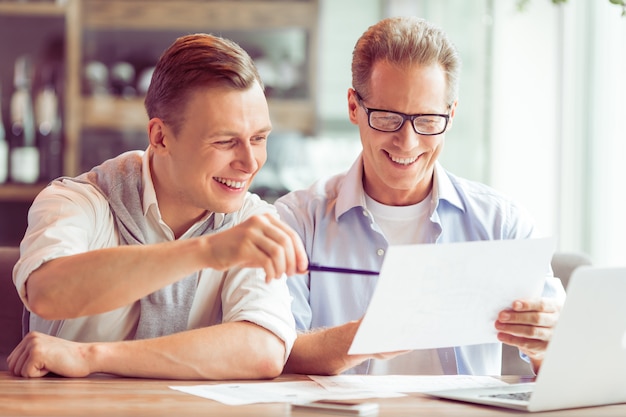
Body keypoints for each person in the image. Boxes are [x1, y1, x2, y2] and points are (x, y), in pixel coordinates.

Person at [275, 17, 566, 376]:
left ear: (451, 114)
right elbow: (277, 351)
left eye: (427, 120)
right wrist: (369, 334)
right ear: (354, 107)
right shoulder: (297, 221)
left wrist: (550, 342)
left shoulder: (502, 224)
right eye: (387, 118)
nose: (407, 142)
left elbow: (563, 367)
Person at [8, 33, 309, 379]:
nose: (250, 162)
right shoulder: (76, 202)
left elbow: (263, 351)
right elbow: (46, 293)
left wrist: (94, 356)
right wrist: (205, 252)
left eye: (258, 138)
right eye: (225, 142)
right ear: (160, 137)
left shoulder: (253, 220)